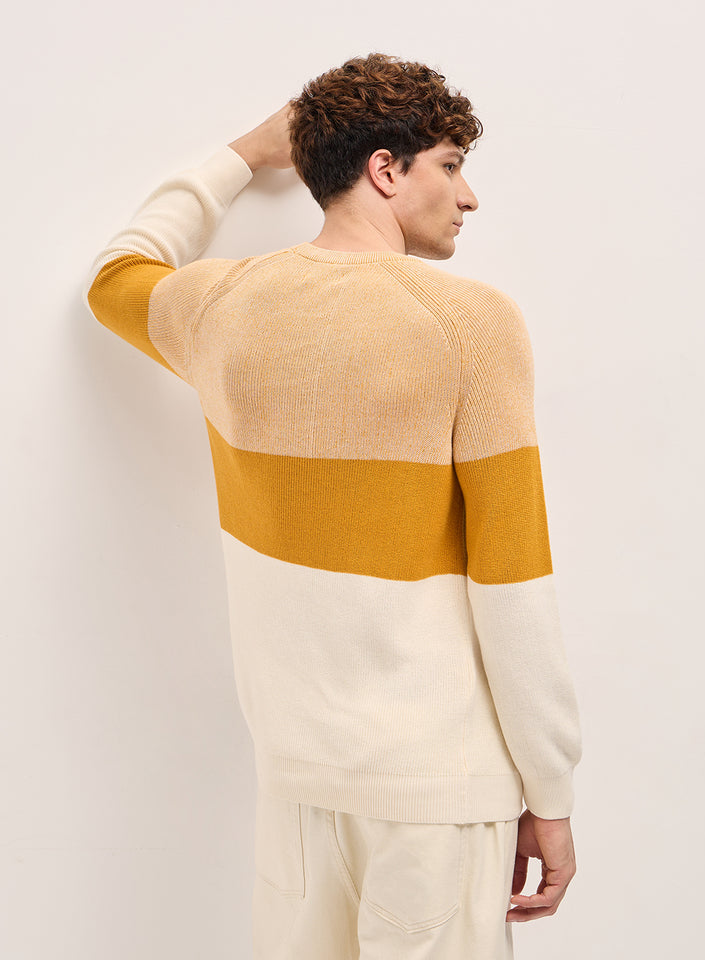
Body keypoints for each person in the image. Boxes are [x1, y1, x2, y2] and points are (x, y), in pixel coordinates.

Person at [84, 52, 582, 959]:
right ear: (385, 170)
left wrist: (245, 155)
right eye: (451, 165)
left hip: (297, 787)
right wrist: (550, 792)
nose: (468, 197)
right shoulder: (473, 325)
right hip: (436, 793)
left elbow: (116, 274)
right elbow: (513, 582)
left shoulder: (222, 306)